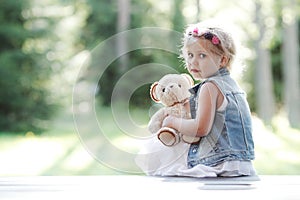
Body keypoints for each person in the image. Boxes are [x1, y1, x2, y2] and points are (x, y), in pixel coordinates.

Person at [135, 20, 256, 177]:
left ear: (223, 60)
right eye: (190, 55)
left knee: (163, 147)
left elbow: (200, 128)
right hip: (240, 162)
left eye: (202, 56)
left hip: (219, 162)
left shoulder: (209, 87)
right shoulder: (231, 85)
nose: (193, 61)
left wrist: (172, 122)